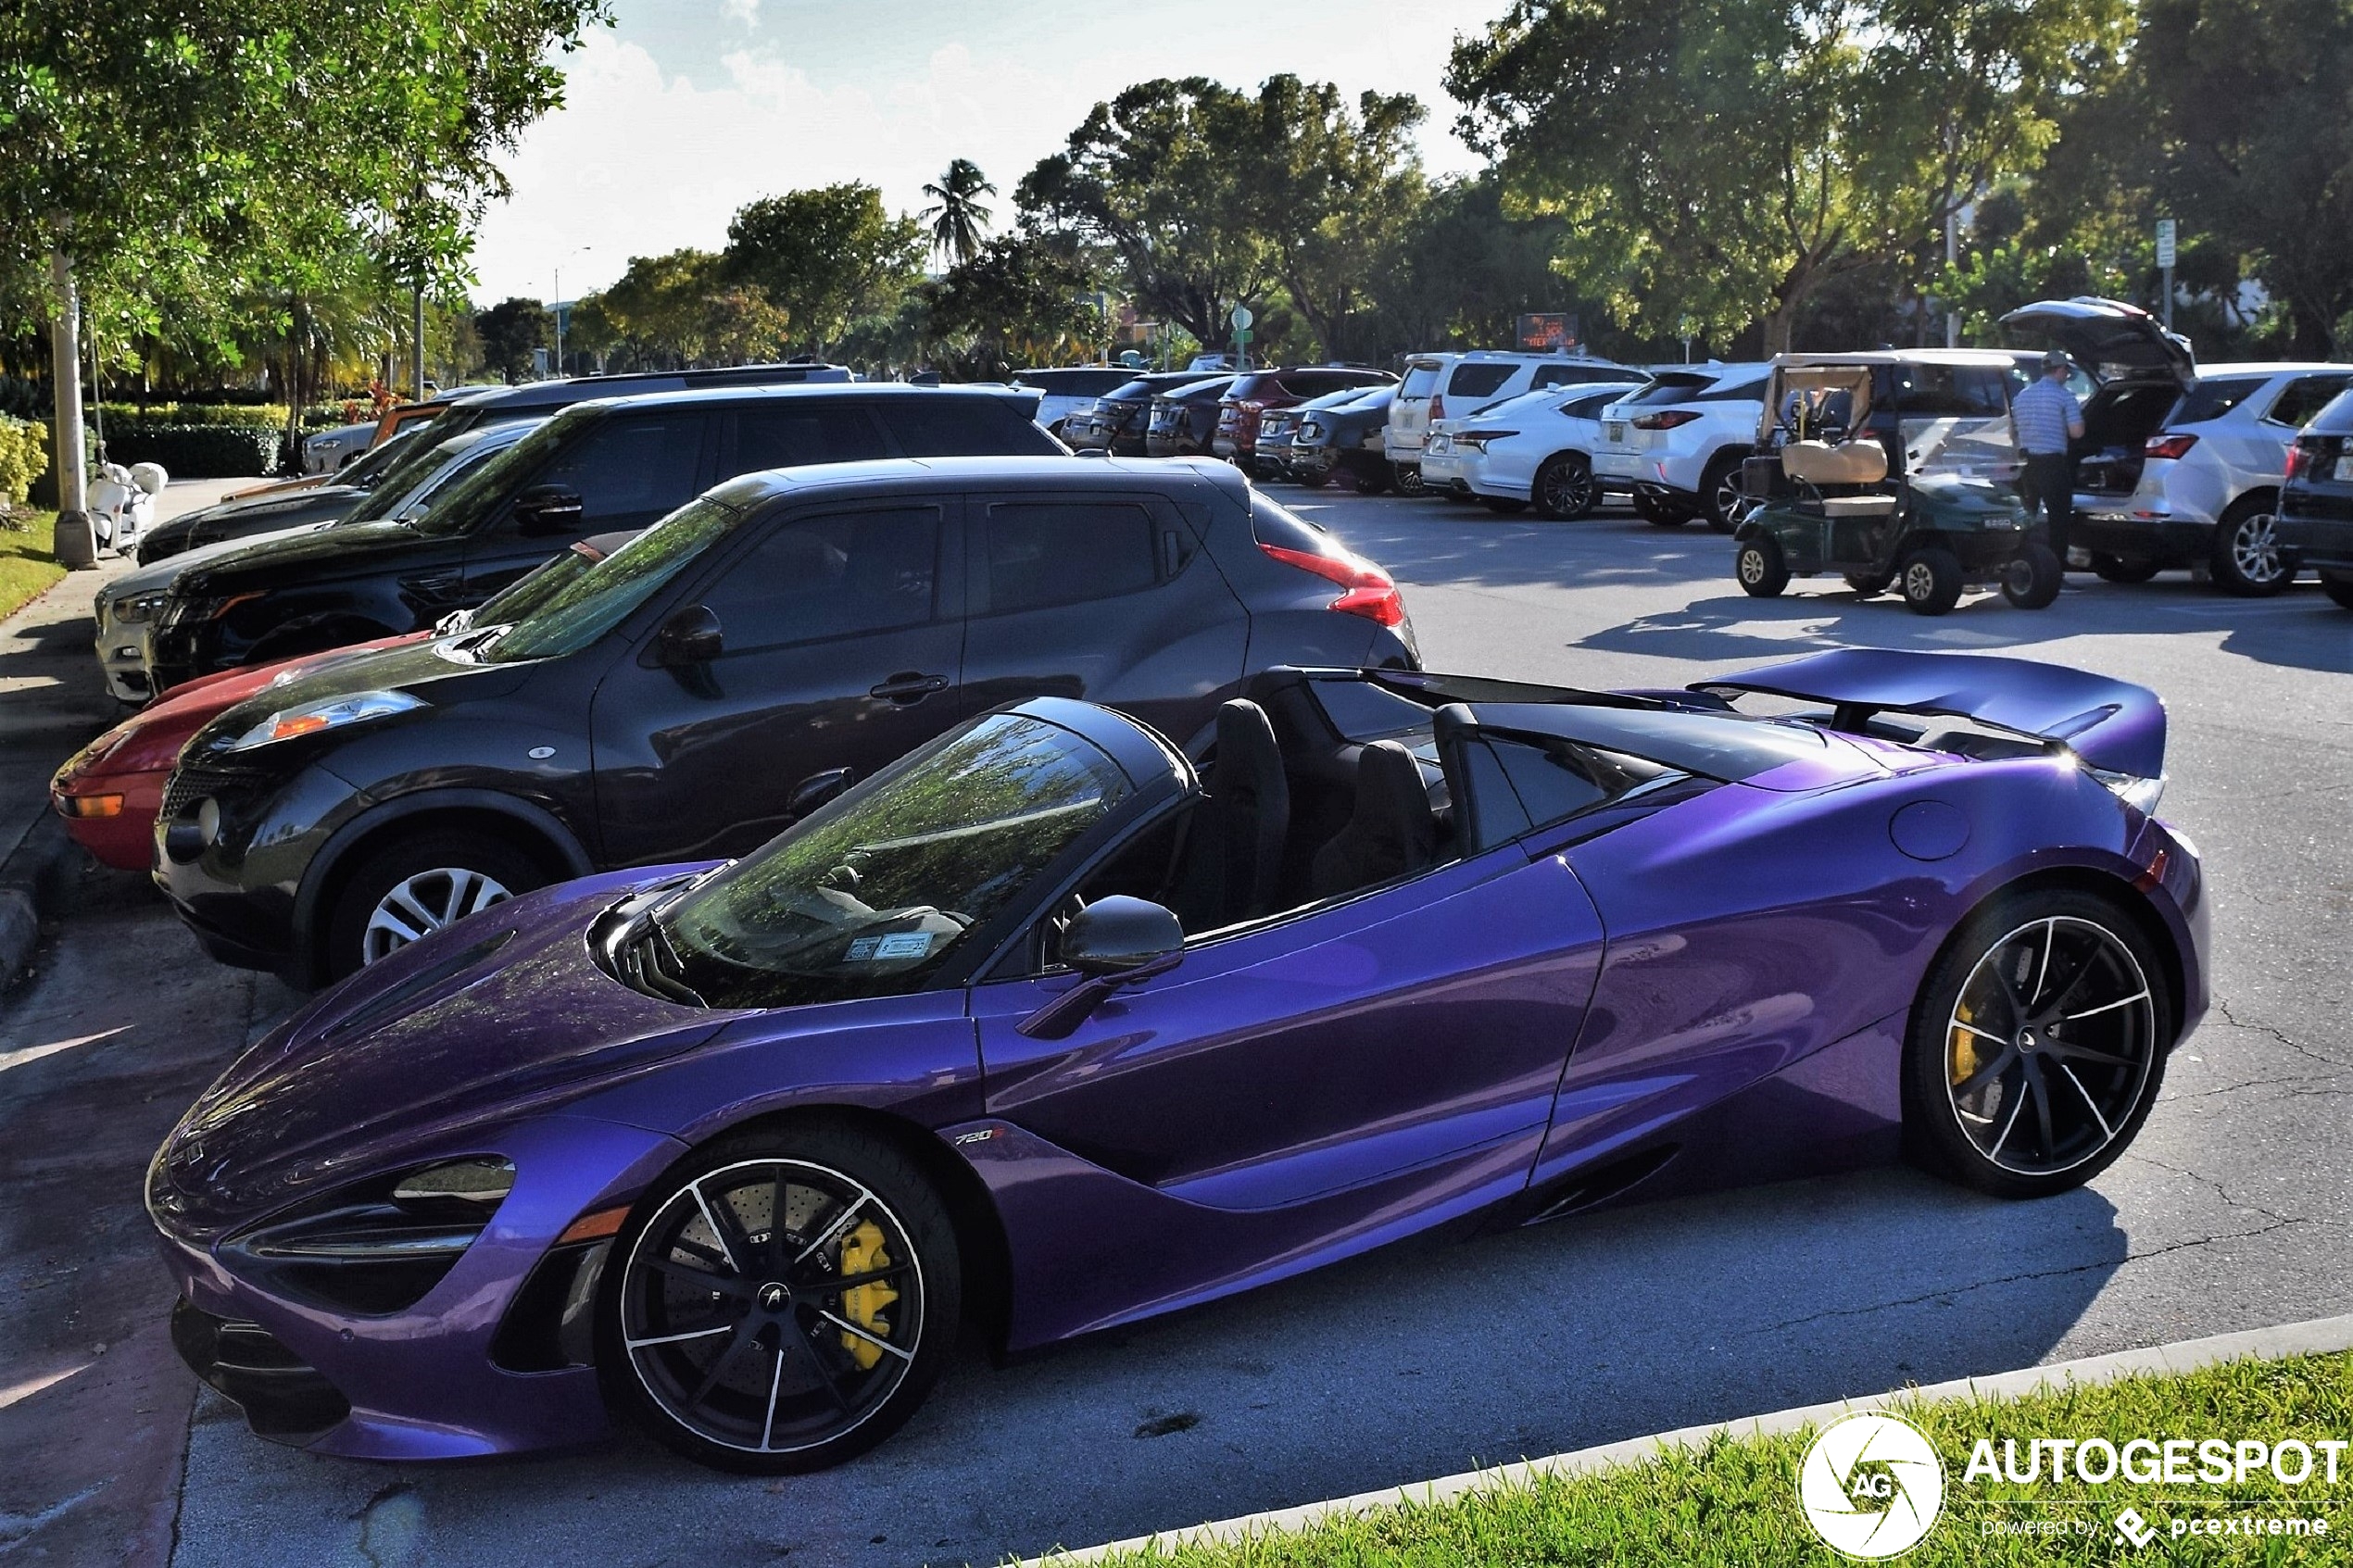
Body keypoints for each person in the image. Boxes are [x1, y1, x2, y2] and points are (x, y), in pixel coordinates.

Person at [2011, 349, 2084, 564]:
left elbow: (2014, 431)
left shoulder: (2022, 396)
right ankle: (2056, 570)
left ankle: (2021, 563)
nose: (2067, 376)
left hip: (2027, 464)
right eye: (2066, 372)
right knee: (2058, 519)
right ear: (2060, 370)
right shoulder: (2065, 396)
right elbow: (2077, 432)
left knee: (2026, 517)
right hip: (2053, 463)